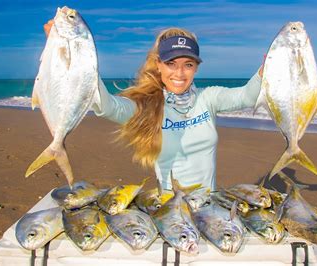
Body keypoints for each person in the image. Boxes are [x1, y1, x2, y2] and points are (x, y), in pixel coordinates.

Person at [44, 21, 263, 190]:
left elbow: (247, 96)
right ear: (158, 65)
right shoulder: (148, 106)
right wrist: (73, 54)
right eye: (171, 63)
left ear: (196, 67)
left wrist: (267, 70)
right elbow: (107, 106)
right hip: (169, 210)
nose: (179, 73)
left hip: (209, 205)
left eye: (188, 64)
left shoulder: (209, 98)